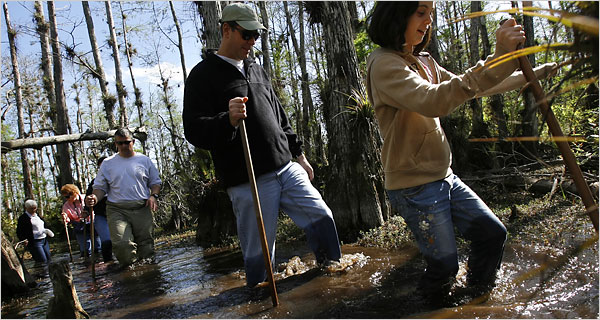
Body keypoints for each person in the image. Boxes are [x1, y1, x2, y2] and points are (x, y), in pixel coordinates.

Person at [365, 2, 557, 300]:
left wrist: (529, 74)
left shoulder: (424, 61)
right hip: (415, 186)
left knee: (492, 235)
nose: (429, 20)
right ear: (397, 14)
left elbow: (473, 86)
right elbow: (434, 100)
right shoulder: (385, 65)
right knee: (444, 267)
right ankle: (427, 309)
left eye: (430, 12)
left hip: (444, 177)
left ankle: (479, 300)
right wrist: (498, 57)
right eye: (420, 12)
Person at [183, 2, 342, 288]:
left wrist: (300, 156)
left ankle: (333, 276)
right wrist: (226, 120)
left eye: (257, 35)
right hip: (247, 180)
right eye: (247, 34)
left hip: (286, 167)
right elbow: (193, 129)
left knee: (323, 217)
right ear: (227, 29)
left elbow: (279, 115)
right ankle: (258, 298)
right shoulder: (202, 75)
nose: (252, 41)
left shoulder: (255, 68)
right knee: (259, 253)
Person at [85, 128, 162, 267]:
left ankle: (149, 276)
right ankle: (130, 275)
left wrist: (153, 196)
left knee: (146, 246)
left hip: (141, 207)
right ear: (116, 144)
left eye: (127, 142)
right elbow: (100, 188)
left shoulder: (144, 160)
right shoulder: (108, 163)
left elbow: (155, 182)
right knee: (122, 245)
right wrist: (94, 198)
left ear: (133, 142)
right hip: (117, 209)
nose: (124, 146)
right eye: (120, 143)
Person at [61, 184, 101, 259]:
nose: (67, 199)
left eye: (67, 196)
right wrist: (65, 218)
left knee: (98, 247)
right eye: (65, 197)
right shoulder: (66, 206)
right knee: (85, 250)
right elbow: (68, 219)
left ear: (74, 193)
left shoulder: (85, 198)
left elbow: (95, 208)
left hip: (92, 224)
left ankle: (100, 262)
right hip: (80, 227)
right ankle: (87, 264)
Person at [86, 156, 113, 262]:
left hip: (120, 214)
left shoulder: (119, 179)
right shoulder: (94, 183)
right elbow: (88, 199)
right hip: (101, 216)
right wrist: (86, 210)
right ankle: (109, 263)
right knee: (106, 241)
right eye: (101, 167)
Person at [16, 199, 53, 264]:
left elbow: (43, 225)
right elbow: (19, 231)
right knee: (42, 260)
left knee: (49, 259)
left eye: (35, 208)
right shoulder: (23, 218)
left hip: (44, 240)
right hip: (34, 242)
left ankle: (50, 273)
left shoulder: (38, 216)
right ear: (26, 208)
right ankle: (42, 273)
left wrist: (47, 231)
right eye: (31, 208)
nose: (33, 210)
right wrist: (23, 239)